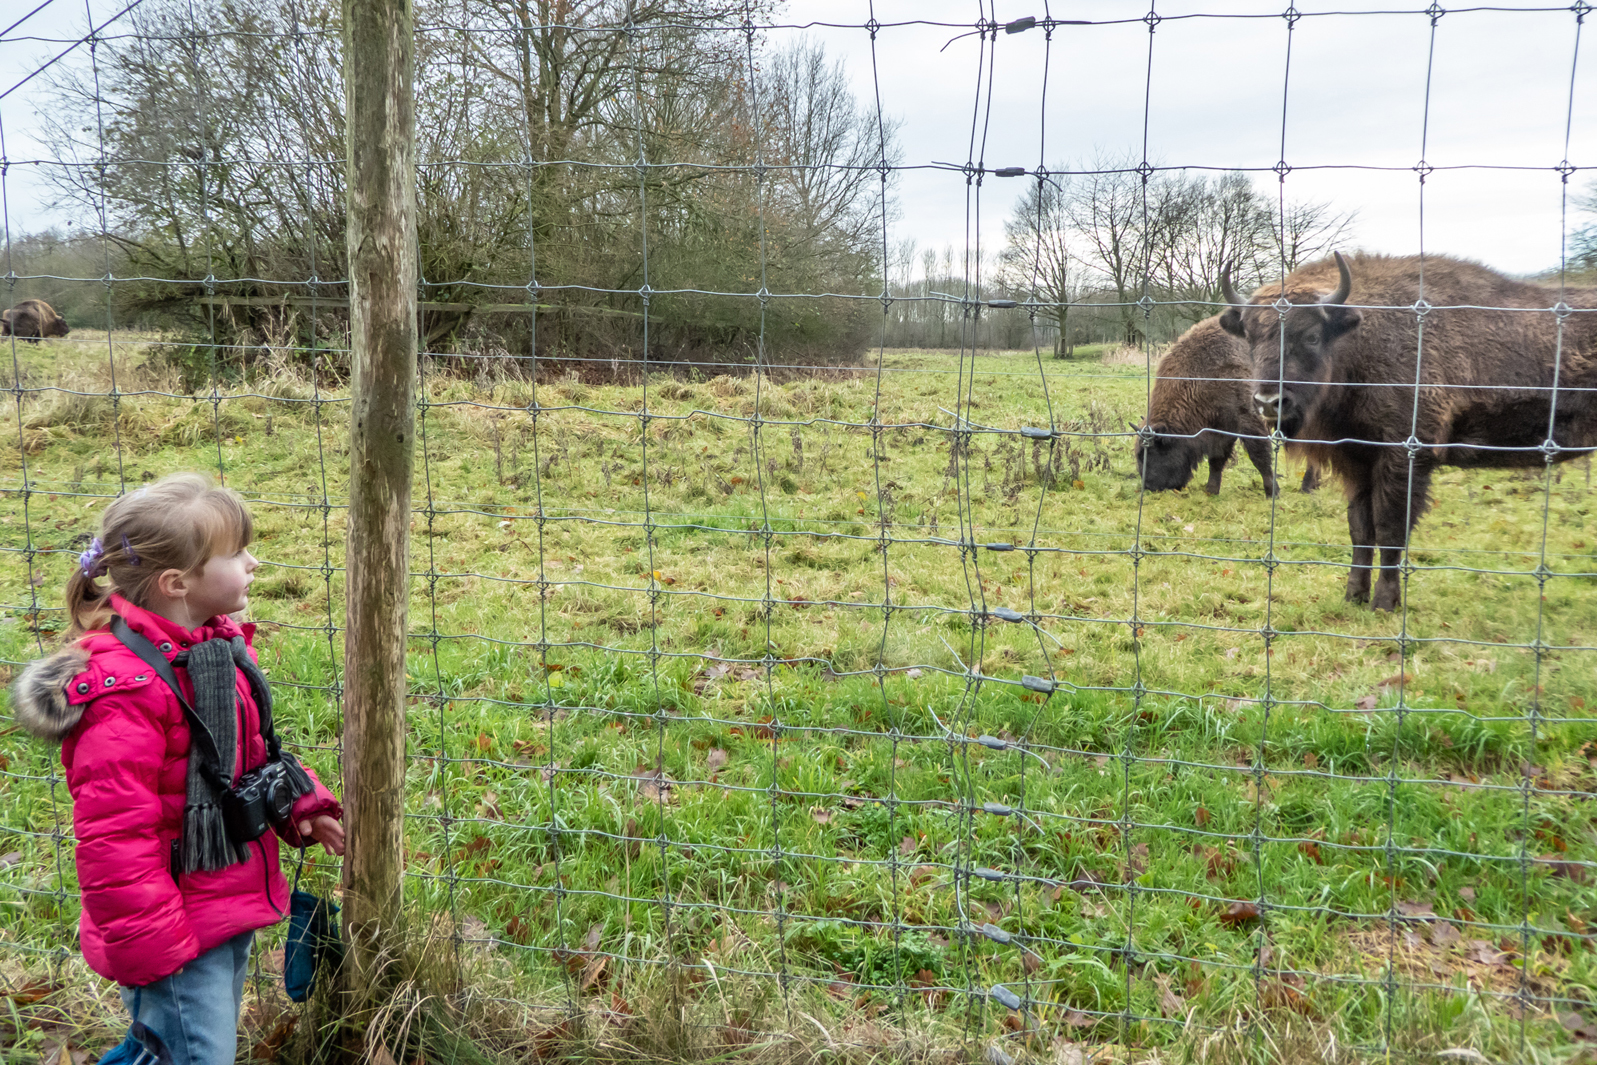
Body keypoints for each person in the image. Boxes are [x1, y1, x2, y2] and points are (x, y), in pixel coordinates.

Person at [10, 473, 344, 1065]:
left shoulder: (213, 651)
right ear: (177, 583)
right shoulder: (128, 693)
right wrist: (155, 945)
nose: (254, 562)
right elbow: (115, 835)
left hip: (219, 898)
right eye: (237, 553)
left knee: (178, 1051)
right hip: (171, 930)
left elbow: (247, 756)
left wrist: (301, 802)